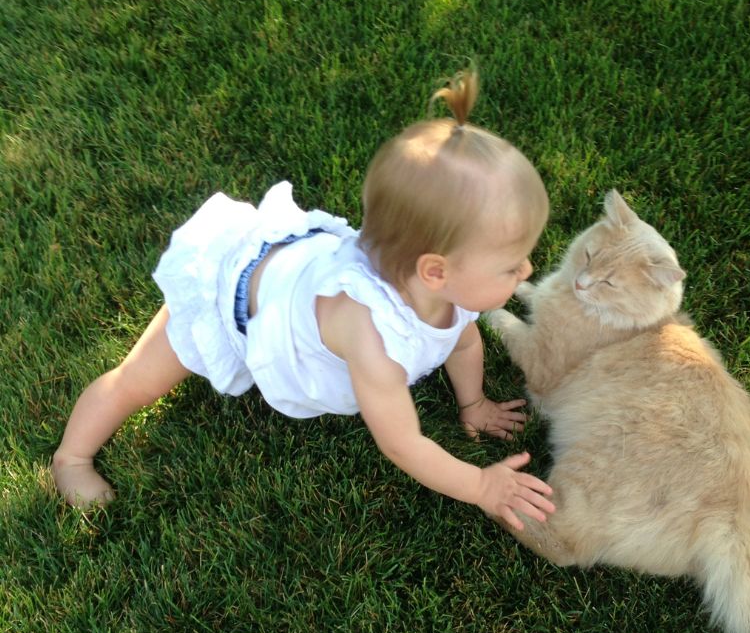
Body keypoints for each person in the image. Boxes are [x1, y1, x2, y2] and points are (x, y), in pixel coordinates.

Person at [51, 69, 555, 531]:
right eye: (512, 265)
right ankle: (71, 457)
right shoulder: (371, 337)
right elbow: (402, 443)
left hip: (296, 271)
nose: (527, 271)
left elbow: (460, 343)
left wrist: (474, 402)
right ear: (435, 271)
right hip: (235, 293)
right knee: (136, 382)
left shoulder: (451, 292)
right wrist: (480, 485)